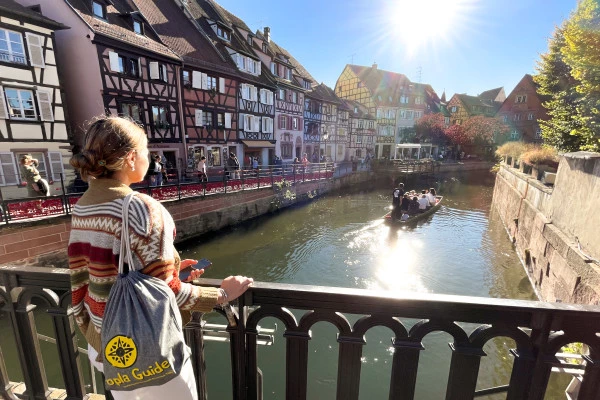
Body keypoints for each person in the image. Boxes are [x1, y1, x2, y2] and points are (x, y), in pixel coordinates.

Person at [68, 117, 253, 400]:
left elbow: (83, 280)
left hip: (106, 343)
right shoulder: (142, 209)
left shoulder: (82, 208)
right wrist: (222, 293)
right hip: (148, 344)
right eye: (145, 151)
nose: (149, 158)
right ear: (131, 158)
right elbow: (170, 291)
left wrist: (170, 274)